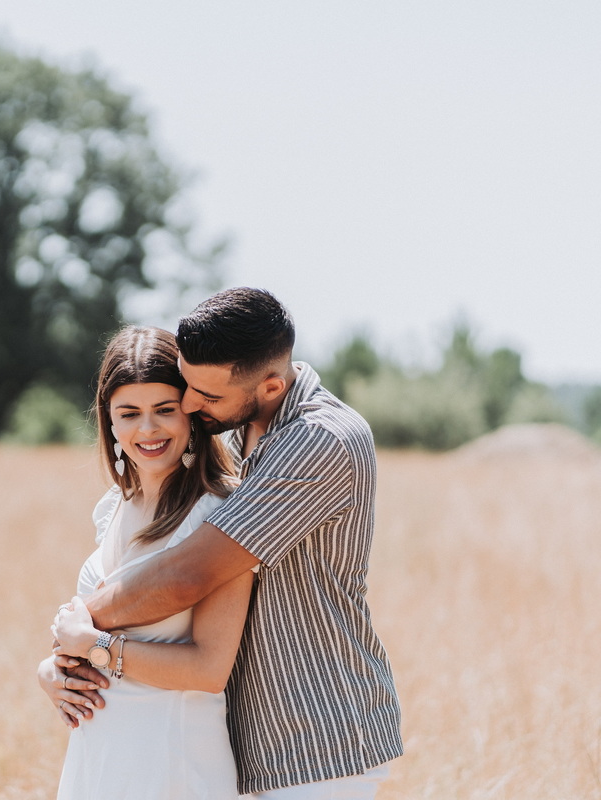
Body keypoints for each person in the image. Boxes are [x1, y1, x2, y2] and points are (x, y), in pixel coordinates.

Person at [64, 288, 403, 798]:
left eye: (207, 396)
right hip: (246, 737)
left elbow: (187, 575)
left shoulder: (319, 439)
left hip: (316, 735)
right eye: (189, 386)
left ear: (269, 386)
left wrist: (76, 636)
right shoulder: (236, 428)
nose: (190, 404)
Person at [37, 325, 252, 799]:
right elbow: (93, 623)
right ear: (109, 423)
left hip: (171, 759)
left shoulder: (219, 516)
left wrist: (95, 648)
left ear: (191, 414)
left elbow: (209, 669)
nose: (147, 429)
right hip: (98, 752)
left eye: (164, 410)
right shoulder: (112, 505)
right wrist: (52, 673)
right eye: (129, 413)